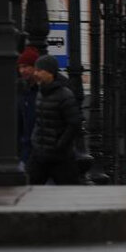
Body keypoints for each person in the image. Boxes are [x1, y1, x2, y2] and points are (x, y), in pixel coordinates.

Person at [26, 55, 82, 185]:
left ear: (50, 73)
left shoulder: (65, 95)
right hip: (40, 154)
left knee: (70, 190)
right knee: (29, 189)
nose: (36, 74)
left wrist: (59, 145)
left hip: (59, 157)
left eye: (40, 70)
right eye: (36, 70)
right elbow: (39, 121)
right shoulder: (41, 93)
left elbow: (74, 124)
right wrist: (35, 140)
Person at [16, 46, 39, 167]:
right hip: (26, 151)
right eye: (20, 67)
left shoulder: (41, 91)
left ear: (35, 67)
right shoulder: (24, 91)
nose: (22, 70)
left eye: (25, 66)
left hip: (40, 152)